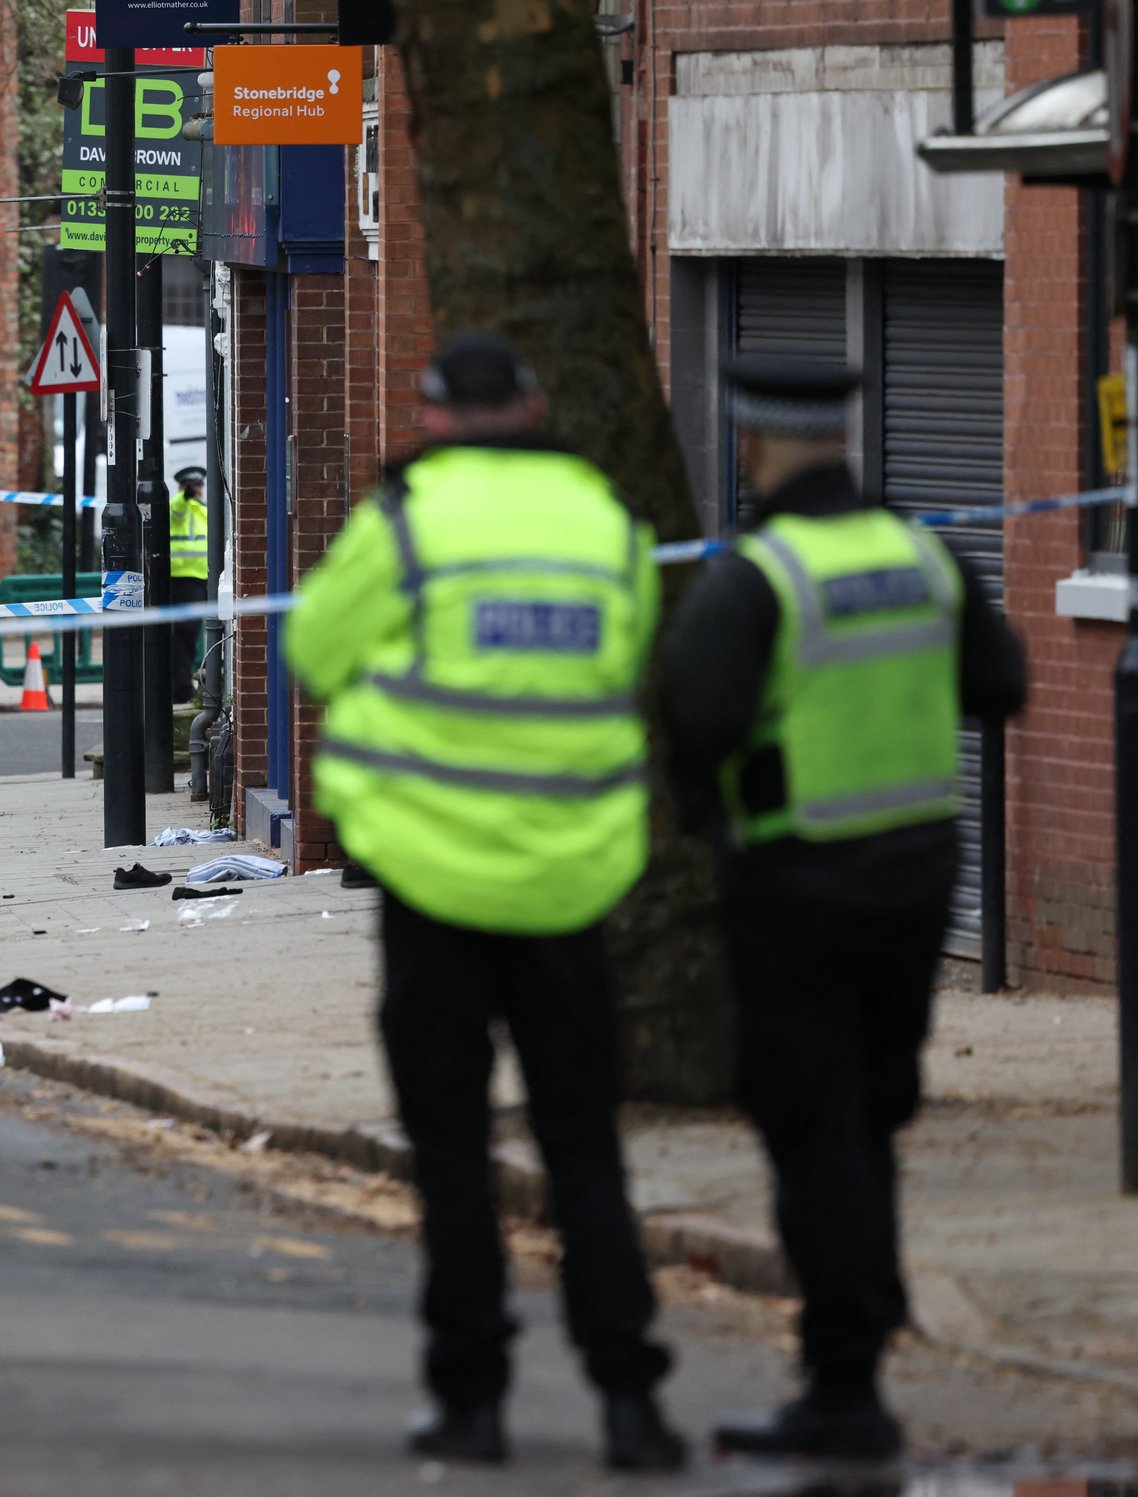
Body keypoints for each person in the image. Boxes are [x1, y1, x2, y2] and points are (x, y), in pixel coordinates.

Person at [285, 334, 686, 1473]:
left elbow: (314, 648)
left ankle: (471, 1400)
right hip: (570, 882)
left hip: (432, 885)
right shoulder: (604, 521)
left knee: (452, 1148)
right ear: (536, 404)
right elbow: (634, 660)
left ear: (433, 417)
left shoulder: (406, 523)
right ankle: (630, 1403)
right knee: (580, 1145)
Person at [661, 355, 1027, 1461]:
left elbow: (689, 720)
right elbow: (1000, 687)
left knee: (809, 1130)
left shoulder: (755, 580)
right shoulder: (922, 557)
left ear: (750, 446)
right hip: (917, 882)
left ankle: (841, 1385)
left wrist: (712, 825)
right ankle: (860, 1340)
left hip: (797, 890)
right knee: (868, 1119)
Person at [168, 464, 210, 702]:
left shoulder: (202, 510)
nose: (198, 490)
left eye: (199, 486)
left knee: (190, 634)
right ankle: (181, 687)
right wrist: (184, 496)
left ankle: (183, 684)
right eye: (192, 487)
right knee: (185, 633)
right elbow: (178, 508)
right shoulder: (178, 506)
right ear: (183, 488)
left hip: (200, 578)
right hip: (182, 578)